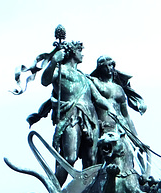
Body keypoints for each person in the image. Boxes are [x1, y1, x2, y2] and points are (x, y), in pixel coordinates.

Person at [27, 41, 112, 185]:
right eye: (80, 50)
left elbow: (98, 98)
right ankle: (56, 191)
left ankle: (88, 192)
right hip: (71, 116)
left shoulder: (84, 77)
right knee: (69, 157)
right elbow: (45, 81)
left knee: (92, 160)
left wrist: (112, 110)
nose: (82, 53)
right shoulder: (61, 71)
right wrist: (54, 61)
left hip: (90, 118)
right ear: (73, 52)